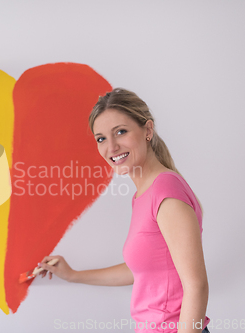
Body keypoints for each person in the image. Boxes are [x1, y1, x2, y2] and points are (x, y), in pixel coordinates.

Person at [39, 88, 210, 333]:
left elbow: (196, 285)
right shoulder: (143, 195)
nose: (112, 147)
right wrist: (73, 275)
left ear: (147, 131)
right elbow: (139, 269)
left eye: (121, 132)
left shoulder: (166, 191)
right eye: (101, 138)